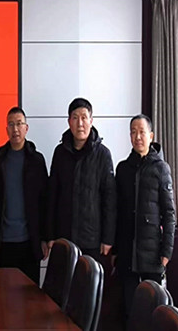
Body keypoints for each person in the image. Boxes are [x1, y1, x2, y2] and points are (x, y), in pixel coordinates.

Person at [114, 114, 176, 318]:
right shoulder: (123, 169)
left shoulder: (161, 168)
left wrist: (166, 252)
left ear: (151, 136)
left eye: (142, 132)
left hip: (153, 253)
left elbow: (169, 213)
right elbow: (117, 211)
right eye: (133, 132)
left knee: (153, 311)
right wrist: (115, 249)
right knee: (129, 309)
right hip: (127, 252)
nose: (137, 137)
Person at [47, 97, 116, 260]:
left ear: (91, 121)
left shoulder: (103, 154)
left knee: (90, 276)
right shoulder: (60, 153)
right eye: (75, 118)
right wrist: (50, 234)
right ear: (69, 122)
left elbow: (109, 199)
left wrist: (108, 238)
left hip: (92, 239)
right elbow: (52, 195)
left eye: (84, 118)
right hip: (64, 237)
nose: (80, 123)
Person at [0, 107, 48, 285]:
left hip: (30, 241)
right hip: (5, 242)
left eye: (19, 124)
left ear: (26, 128)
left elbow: (45, 201)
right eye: (11, 125)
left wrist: (44, 238)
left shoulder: (36, 160)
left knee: (30, 294)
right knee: (5, 294)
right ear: (6, 129)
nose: (15, 129)